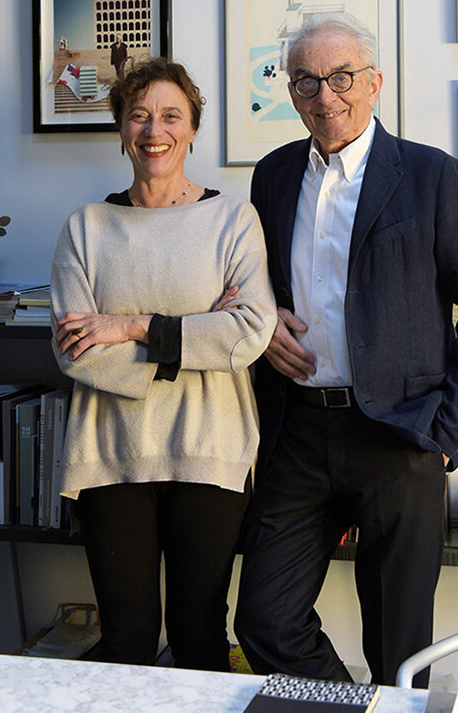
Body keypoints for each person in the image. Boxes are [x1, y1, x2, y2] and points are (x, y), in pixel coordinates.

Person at [234, 15, 458, 687]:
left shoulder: (432, 175)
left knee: (398, 648)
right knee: (264, 620)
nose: (325, 95)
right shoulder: (273, 176)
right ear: (291, 91)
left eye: (341, 77)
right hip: (298, 431)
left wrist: (446, 433)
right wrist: (262, 322)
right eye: (306, 81)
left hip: (401, 433)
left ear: (374, 82)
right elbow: (251, 282)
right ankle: (350, 707)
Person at [50, 57, 276, 670]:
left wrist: (131, 326)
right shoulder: (86, 228)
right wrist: (195, 337)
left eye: (172, 116)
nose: (155, 130)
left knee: (199, 637)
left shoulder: (233, 220)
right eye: (139, 116)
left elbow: (249, 334)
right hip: (110, 452)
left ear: (193, 129)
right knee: (126, 640)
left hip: (211, 448)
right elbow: (77, 351)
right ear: (121, 129)